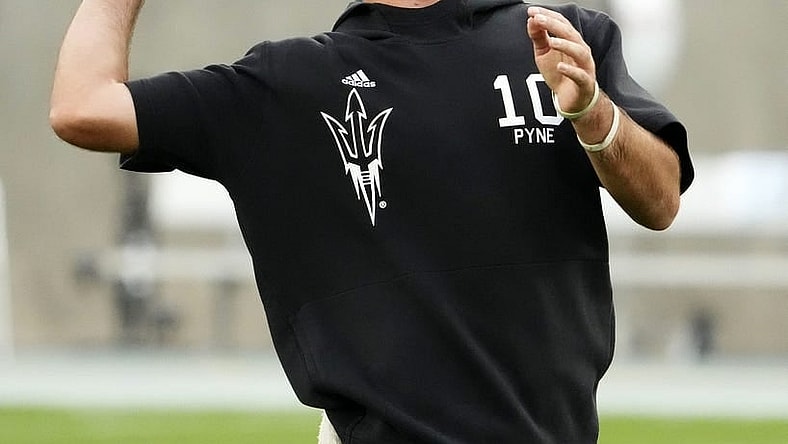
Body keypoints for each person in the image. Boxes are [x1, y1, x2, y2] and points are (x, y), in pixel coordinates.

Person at [50, 0, 694, 442]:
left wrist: (593, 115)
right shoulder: (288, 83)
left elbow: (660, 200)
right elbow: (82, 107)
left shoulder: (555, 39)